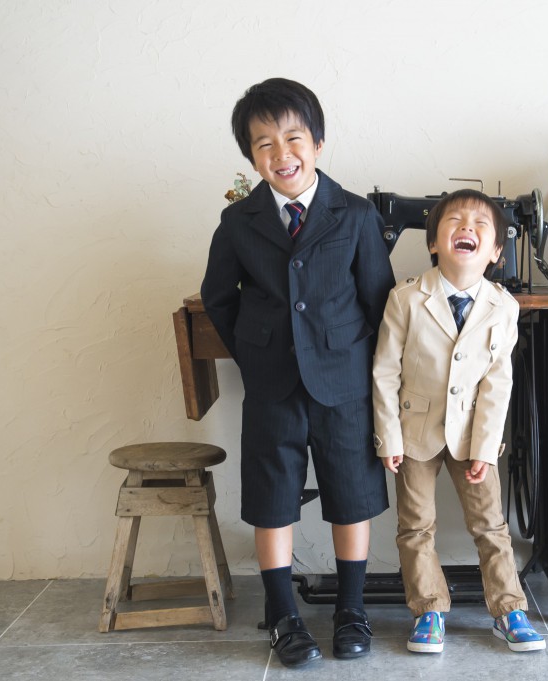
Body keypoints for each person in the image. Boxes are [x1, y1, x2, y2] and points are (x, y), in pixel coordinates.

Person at [201, 78, 395, 667]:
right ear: (249, 157)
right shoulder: (239, 222)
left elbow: (378, 301)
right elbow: (219, 299)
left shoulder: (355, 214)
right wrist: (255, 349)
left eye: (292, 138)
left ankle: (351, 609)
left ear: (317, 142)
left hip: (343, 382)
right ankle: (283, 615)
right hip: (271, 384)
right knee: (272, 497)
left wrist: (351, 357)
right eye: (263, 144)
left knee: (351, 493)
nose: (280, 153)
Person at [371, 189, 547, 653]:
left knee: (490, 525)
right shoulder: (406, 298)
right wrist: (388, 436)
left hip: (472, 436)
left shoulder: (503, 306)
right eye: (454, 221)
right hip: (413, 434)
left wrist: (486, 449)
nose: (466, 227)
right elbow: (385, 370)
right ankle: (428, 610)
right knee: (415, 525)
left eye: (479, 224)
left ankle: (509, 609)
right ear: (433, 242)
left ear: (496, 252)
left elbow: (497, 383)